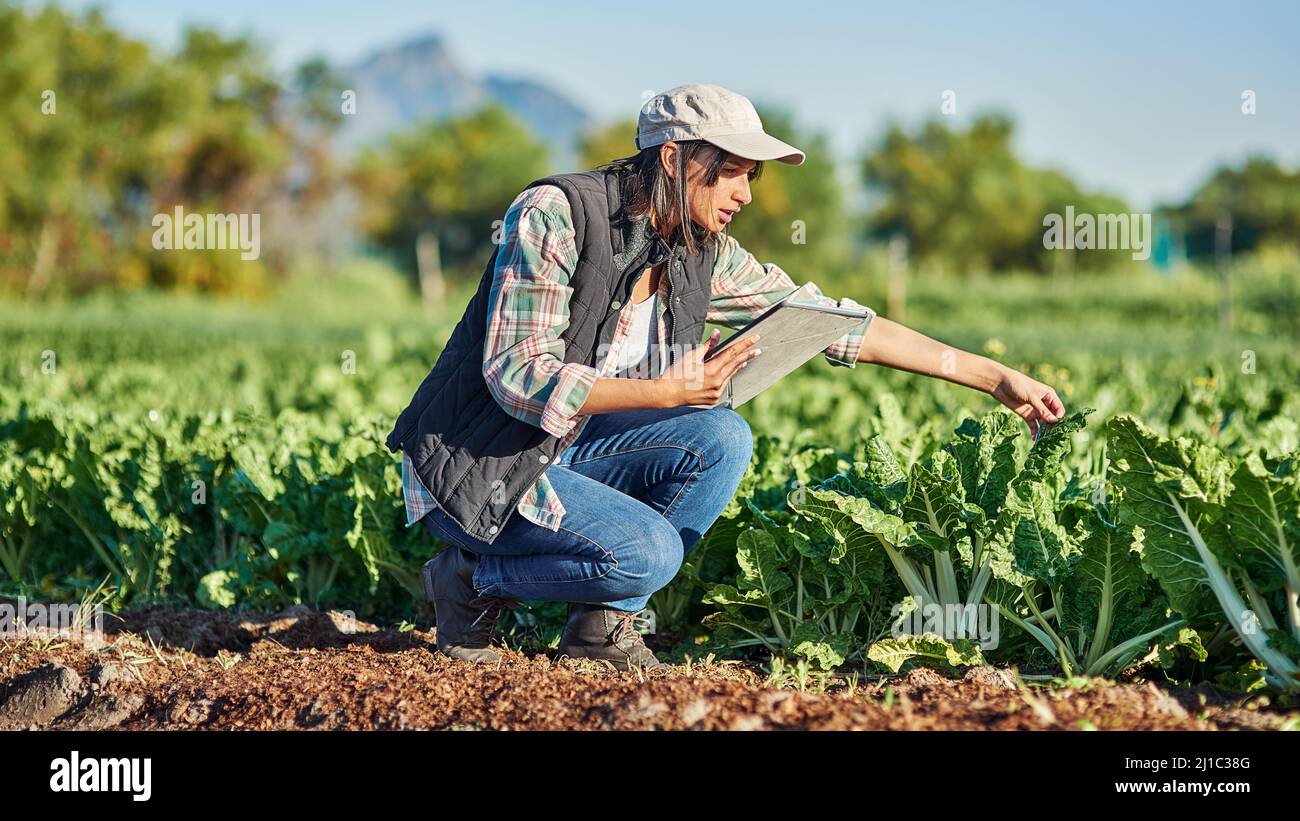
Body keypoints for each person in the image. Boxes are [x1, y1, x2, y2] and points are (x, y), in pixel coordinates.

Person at [385, 83, 1065, 671]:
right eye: (733, 172)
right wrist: (662, 392)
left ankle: (598, 630)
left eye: (754, 177)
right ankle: (471, 577)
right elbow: (517, 374)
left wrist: (993, 376)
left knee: (721, 436)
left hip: (563, 454)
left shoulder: (700, 252)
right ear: (675, 160)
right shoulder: (555, 215)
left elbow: (831, 322)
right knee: (650, 552)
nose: (745, 193)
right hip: (479, 462)